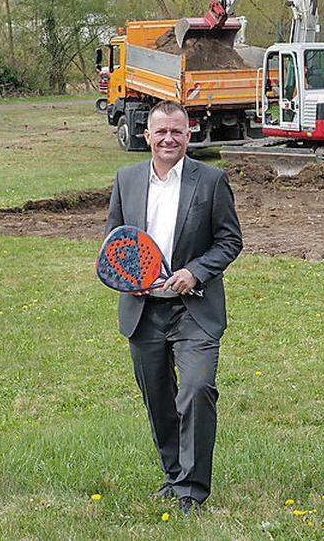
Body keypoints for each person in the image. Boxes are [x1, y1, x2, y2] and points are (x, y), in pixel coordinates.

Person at [105, 101, 243, 516]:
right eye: (160, 131)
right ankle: (173, 475)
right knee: (158, 398)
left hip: (193, 309)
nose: (169, 139)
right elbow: (116, 240)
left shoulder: (212, 181)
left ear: (190, 134)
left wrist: (195, 272)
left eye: (177, 132)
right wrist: (130, 276)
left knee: (197, 389)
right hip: (143, 310)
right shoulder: (126, 180)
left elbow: (229, 241)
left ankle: (192, 491)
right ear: (146, 135)